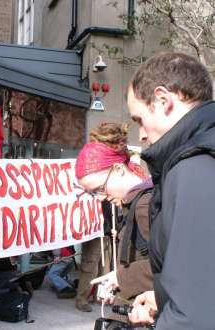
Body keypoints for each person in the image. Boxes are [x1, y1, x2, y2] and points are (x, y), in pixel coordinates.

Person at [125, 52, 215, 329]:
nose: (140, 134)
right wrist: (163, 297)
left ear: (164, 100)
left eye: (139, 119)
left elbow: (194, 317)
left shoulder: (195, 167)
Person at [75, 123, 153, 325]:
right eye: (94, 193)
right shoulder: (136, 203)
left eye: (100, 188)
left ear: (118, 169)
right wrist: (119, 281)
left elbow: (174, 266)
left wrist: (122, 278)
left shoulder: (145, 205)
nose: (100, 197)